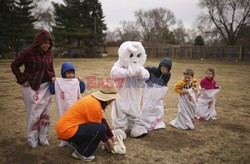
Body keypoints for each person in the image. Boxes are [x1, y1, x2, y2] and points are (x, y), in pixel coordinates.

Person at [10, 30, 55, 148]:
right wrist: (21, 79)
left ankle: (43, 137)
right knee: (34, 114)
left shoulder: (49, 53)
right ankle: (32, 138)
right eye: (45, 43)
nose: (47, 45)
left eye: (49, 43)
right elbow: (14, 65)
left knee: (45, 114)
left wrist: (53, 78)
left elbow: (50, 68)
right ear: (39, 42)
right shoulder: (28, 52)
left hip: (46, 88)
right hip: (32, 87)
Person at [56, 83, 121, 161]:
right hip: (67, 130)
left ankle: (76, 143)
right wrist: (109, 142)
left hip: (65, 129)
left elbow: (103, 121)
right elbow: (100, 128)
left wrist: (112, 137)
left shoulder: (94, 100)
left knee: (99, 127)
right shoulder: (95, 105)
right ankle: (82, 153)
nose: (112, 102)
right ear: (108, 99)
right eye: (112, 99)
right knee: (100, 128)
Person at [110, 41, 150, 138]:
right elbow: (114, 73)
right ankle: (120, 128)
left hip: (135, 94)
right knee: (120, 109)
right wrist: (128, 72)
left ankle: (135, 126)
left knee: (135, 108)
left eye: (138, 56)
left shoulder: (139, 67)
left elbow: (146, 75)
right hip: (121, 93)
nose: (135, 58)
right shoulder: (119, 65)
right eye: (131, 55)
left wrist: (140, 72)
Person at [49, 62, 85, 147]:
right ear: (63, 73)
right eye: (68, 73)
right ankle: (63, 140)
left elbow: (82, 90)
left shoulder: (75, 82)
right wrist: (52, 83)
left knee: (74, 122)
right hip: (63, 107)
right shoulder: (59, 82)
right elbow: (52, 91)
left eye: (72, 73)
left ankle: (73, 138)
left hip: (74, 106)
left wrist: (81, 82)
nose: (71, 75)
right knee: (63, 121)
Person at [141, 58, 172, 130]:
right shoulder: (153, 70)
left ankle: (155, 121)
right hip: (150, 89)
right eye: (163, 69)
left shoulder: (168, 75)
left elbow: (165, 83)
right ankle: (145, 120)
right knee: (148, 104)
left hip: (158, 91)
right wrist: (148, 81)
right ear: (160, 66)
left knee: (157, 105)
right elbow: (143, 71)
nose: (164, 71)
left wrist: (162, 90)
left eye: (166, 70)